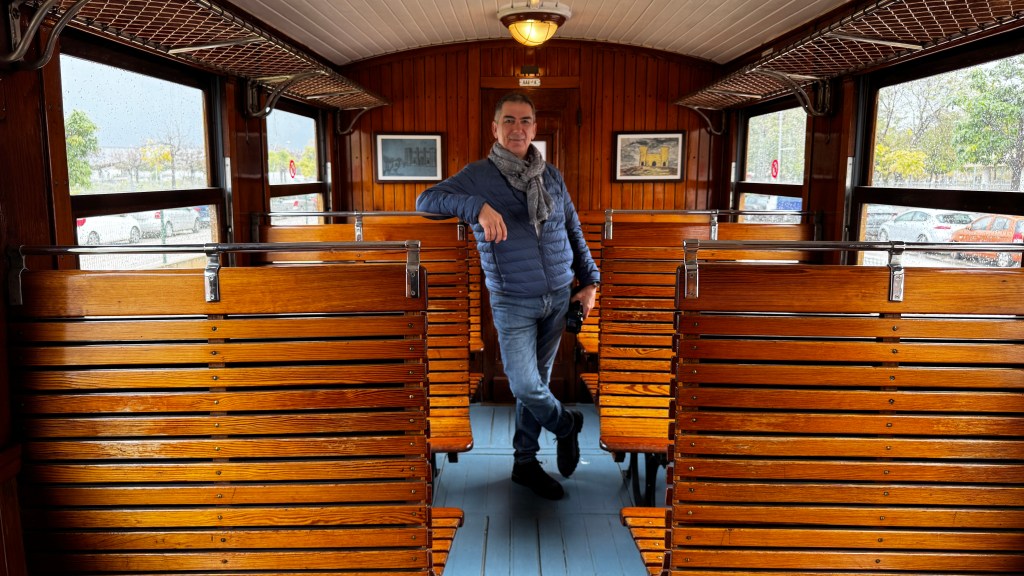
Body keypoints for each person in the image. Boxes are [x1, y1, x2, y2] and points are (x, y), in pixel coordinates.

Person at [415, 92, 600, 500]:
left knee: (539, 381)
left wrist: (589, 283)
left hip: (558, 296)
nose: (518, 128)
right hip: (513, 299)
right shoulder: (478, 175)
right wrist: (476, 207)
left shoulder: (550, 175)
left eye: (525, 121)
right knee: (525, 384)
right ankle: (566, 425)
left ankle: (525, 463)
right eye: (510, 121)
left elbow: (572, 228)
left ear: (534, 128)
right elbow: (425, 201)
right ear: (495, 128)